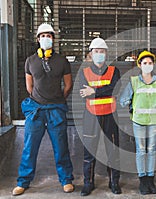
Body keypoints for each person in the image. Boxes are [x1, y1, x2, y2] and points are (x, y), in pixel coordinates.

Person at [12, 23, 74, 196]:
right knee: (29, 147)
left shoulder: (62, 61)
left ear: (53, 39)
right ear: (38, 39)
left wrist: (57, 99)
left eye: (50, 36)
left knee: (61, 146)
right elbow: (29, 86)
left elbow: (68, 85)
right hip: (36, 110)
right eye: (43, 36)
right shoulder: (30, 61)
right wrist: (40, 100)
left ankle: (66, 180)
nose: (46, 38)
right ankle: (23, 181)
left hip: (56, 109)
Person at [120, 50, 156, 195]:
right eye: (144, 63)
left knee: (152, 150)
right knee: (141, 150)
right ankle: (143, 181)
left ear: (153, 64)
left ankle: (150, 179)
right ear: (139, 65)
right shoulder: (134, 82)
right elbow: (124, 100)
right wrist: (132, 107)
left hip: (155, 121)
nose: (147, 65)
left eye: (150, 63)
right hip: (139, 122)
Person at [79, 37, 122, 196]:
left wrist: (95, 92)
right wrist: (104, 90)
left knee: (113, 151)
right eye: (96, 51)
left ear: (106, 54)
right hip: (91, 116)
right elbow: (83, 94)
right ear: (91, 54)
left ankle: (114, 182)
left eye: (102, 51)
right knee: (89, 152)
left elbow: (115, 89)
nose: (99, 54)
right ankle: (88, 183)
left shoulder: (114, 71)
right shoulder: (84, 72)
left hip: (110, 115)